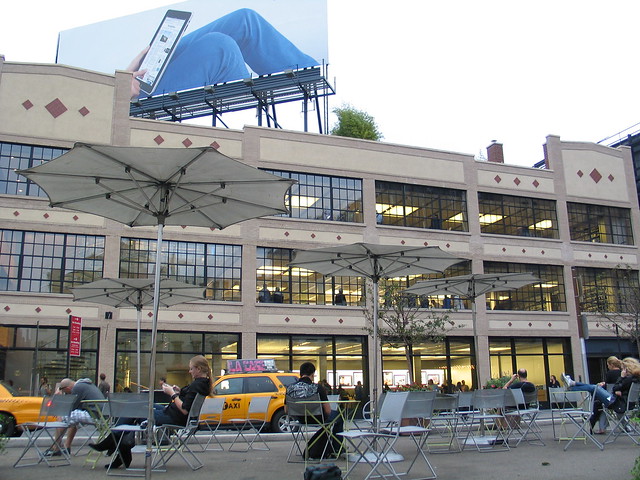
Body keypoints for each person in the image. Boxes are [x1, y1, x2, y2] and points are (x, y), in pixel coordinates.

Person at [128, 8, 318, 99]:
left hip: (130, 80)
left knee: (245, 20)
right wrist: (119, 90)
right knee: (220, 46)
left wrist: (126, 73)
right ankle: (252, 106)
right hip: (127, 98)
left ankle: (312, 74)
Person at [91, 355, 213, 469]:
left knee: (137, 411)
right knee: (143, 405)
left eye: (191, 369)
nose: (189, 371)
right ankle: (118, 445)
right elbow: (189, 402)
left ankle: (115, 443)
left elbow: (185, 409)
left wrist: (172, 394)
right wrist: (179, 391)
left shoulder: (197, 385)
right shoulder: (202, 384)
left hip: (175, 417)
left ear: (198, 369)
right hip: (174, 414)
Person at [563, 358, 640, 434]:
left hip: (615, 402)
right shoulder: (635, 379)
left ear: (627, 369)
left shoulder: (627, 379)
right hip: (622, 402)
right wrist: (619, 389)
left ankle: (571, 387)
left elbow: (615, 388)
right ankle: (572, 384)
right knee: (595, 387)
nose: (622, 371)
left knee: (595, 387)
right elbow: (621, 389)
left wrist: (622, 377)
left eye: (623, 369)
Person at [285, 362, 343, 459]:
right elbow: (328, 411)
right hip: (318, 418)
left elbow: (286, 410)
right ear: (312, 375)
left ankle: (322, 448)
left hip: (301, 419)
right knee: (337, 416)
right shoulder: (317, 388)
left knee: (328, 425)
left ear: (300, 373)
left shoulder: (289, 388)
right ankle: (336, 449)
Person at [46, 378, 104, 457]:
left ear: (67, 388)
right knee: (74, 419)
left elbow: (70, 408)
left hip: (94, 415)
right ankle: (67, 446)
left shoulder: (77, 388)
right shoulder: (86, 385)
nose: (67, 394)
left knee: (61, 416)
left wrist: (57, 398)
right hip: (100, 415)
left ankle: (56, 448)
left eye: (66, 392)